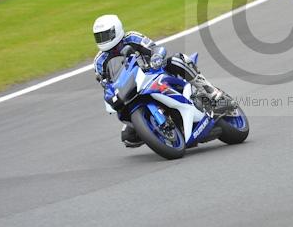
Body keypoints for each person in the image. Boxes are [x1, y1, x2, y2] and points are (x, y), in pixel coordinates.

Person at [92, 14, 224, 148]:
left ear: (116, 30)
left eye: (106, 35)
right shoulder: (99, 61)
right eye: (99, 37)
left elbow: (155, 48)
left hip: (154, 73)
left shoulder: (132, 37)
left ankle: (209, 91)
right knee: (128, 137)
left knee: (177, 60)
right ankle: (158, 130)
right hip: (131, 89)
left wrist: (156, 56)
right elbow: (106, 84)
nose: (103, 40)